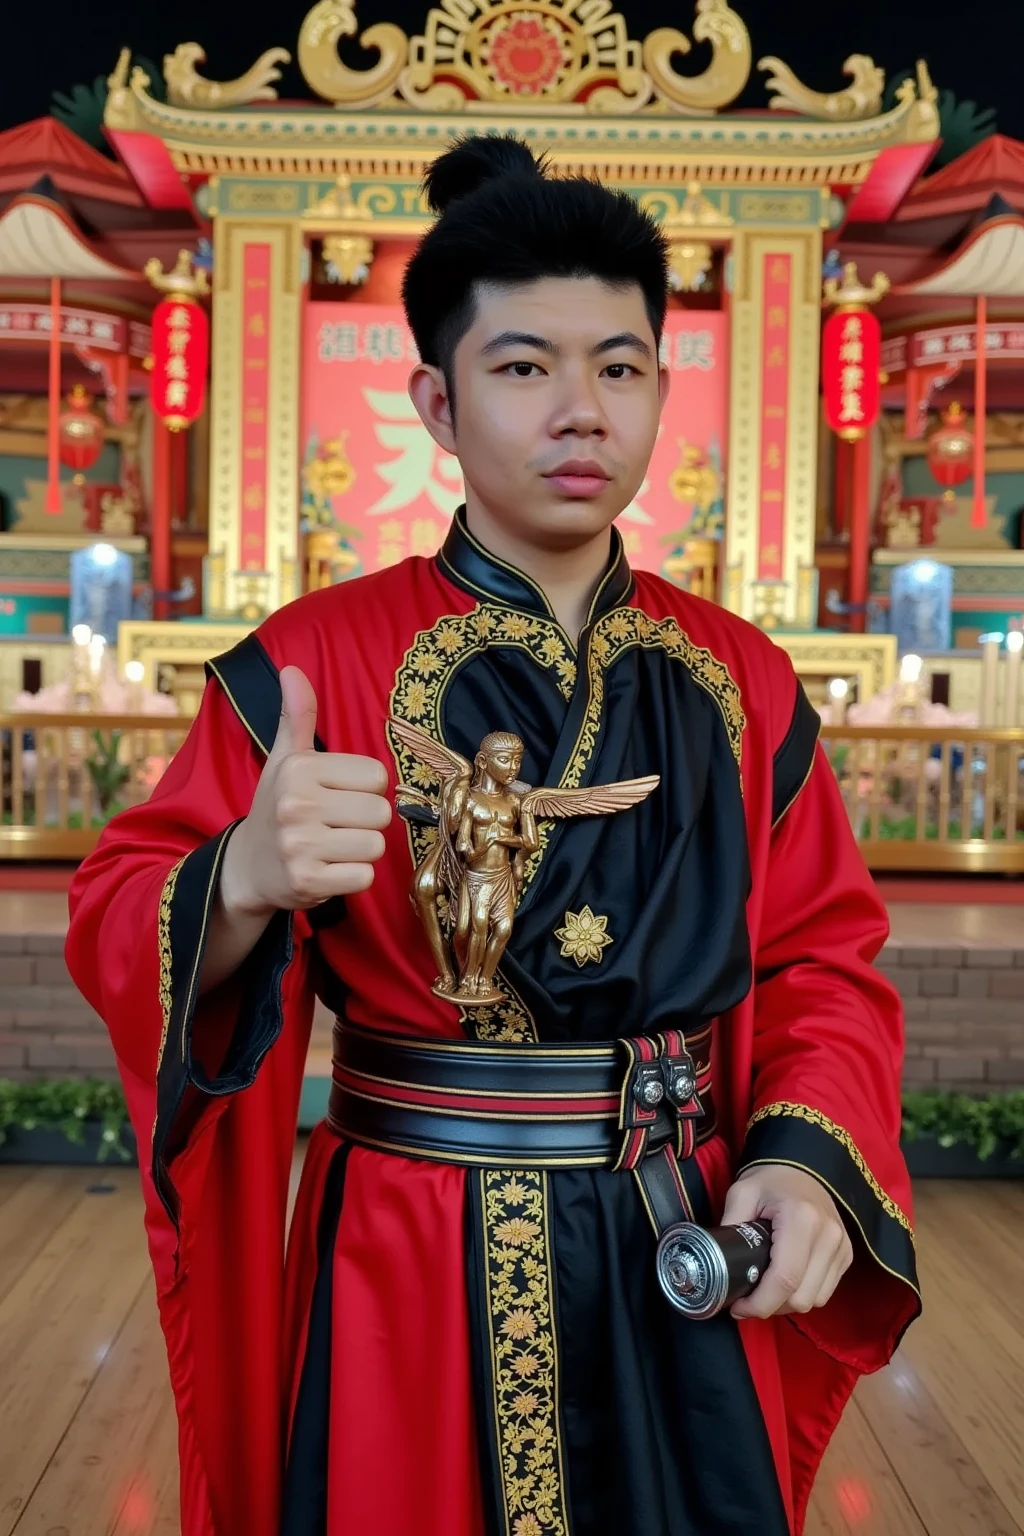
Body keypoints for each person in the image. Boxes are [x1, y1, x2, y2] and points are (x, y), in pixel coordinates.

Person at [66, 135, 920, 1536]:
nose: (582, 410)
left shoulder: (743, 679)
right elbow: (111, 912)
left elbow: (825, 956)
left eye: (623, 366)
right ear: (438, 403)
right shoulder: (315, 662)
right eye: (525, 366)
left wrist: (798, 1156)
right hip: (407, 1247)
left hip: (681, 1223)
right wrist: (240, 881)